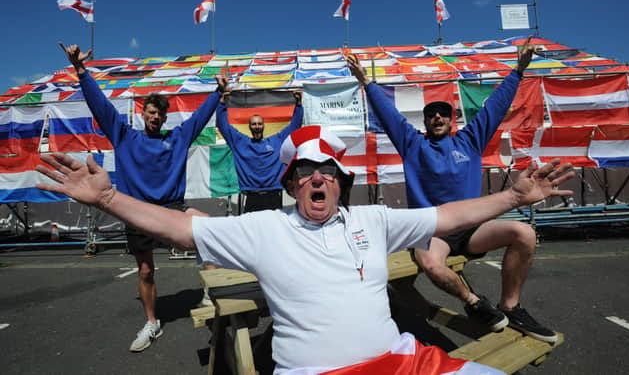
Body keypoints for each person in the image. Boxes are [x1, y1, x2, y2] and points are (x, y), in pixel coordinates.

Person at [36, 125, 574, 374]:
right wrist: (108, 197)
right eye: (305, 173)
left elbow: (449, 216)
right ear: (292, 185)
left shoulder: (374, 220)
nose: (318, 181)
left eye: (328, 173)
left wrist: (510, 195)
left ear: (341, 182)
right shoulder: (264, 227)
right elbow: (180, 229)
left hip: (407, 364)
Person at [347, 40, 560, 343]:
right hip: (433, 232)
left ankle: (510, 306)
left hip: (472, 230)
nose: (437, 117)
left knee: (524, 233)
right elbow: (390, 116)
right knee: (432, 264)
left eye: (443, 114)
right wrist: (366, 83)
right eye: (431, 114)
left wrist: (519, 70)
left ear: (452, 120)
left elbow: (494, 108)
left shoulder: (470, 141)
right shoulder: (413, 145)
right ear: (425, 121)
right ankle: (473, 302)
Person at [59, 43, 225, 352]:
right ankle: (152, 323)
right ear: (143, 113)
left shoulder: (177, 137)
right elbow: (101, 107)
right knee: (146, 270)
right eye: (151, 112)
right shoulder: (124, 136)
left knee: (209, 234)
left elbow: (200, 117)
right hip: (136, 211)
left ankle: (211, 298)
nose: (155, 117)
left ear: (164, 118)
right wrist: (81, 71)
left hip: (172, 208)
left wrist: (217, 93)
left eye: (160, 114)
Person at [216, 87, 303, 213]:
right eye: (254, 124)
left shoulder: (277, 141)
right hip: (251, 196)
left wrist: (298, 105)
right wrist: (222, 103)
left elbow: (294, 126)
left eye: (259, 124)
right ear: (249, 127)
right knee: (252, 232)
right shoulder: (240, 142)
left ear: (264, 126)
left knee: (274, 231)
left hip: (274, 195)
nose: (257, 126)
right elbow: (222, 125)